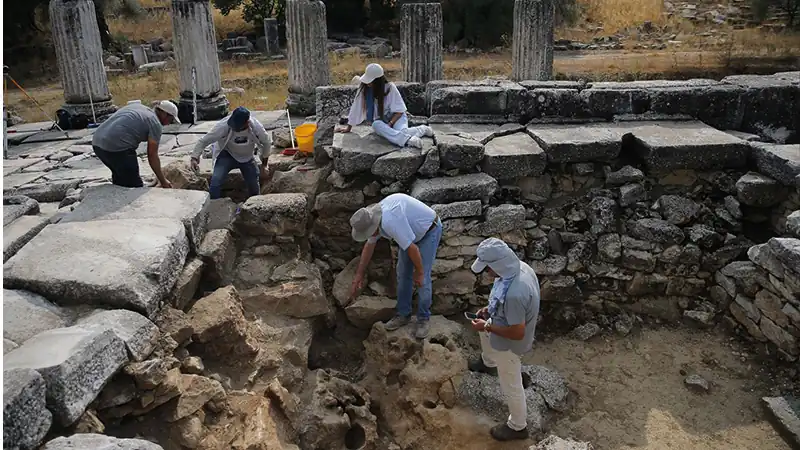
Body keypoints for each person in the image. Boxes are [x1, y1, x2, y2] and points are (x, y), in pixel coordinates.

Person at [468, 238, 541, 442]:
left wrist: (488, 326)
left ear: (498, 265)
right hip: (503, 321)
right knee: (484, 327)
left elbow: (517, 332)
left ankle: (518, 426)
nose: (487, 273)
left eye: (488, 268)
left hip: (509, 345)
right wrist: (489, 311)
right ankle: (488, 362)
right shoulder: (520, 269)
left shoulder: (515, 295)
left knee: (511, 383)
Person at [348, 193, 442, 338]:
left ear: (373, 226)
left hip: (429, 230)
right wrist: (359, 274)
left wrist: (420, 271)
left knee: (423, 280)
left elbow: (413, 249)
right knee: (403, 274)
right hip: (411, 234)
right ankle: (403, 314)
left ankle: (423, 318)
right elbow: (369, 246)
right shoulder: (372, 217)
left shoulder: (390, 222)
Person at [336, 63, 434, 149]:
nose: (368, 83)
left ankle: (419, 131)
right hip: (381, 121)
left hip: (397, 117)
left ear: (378, 80)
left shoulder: (390, 88)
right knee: (376, 125)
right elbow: (356, 108)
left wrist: (390, 124)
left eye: (371, 80)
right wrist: (348, 128)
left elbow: (399, 111)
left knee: (401, 130)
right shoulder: (364, 89)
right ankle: (411, 138)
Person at [91, 100, 180, 188]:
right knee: (134, 186)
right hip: (116, 148)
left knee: (121, 178)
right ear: (164, 114)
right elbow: (152, 155)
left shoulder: (139, 107)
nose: (168, 124)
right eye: (171, 120)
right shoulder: (155, 123)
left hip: (97, 144)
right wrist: (163, 181)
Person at [190, 106, 271, 200]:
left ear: (247, 123)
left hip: (247, 157)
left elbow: (266, 142)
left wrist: (264, 165)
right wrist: (194, 157)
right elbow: (204, 140)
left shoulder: (256, 127)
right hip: (227, 154)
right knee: (216, 180)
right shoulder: (223, 126)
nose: (234, 128)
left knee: (253, 182)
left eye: (237, 127)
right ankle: (213, 205)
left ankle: (255, 204)